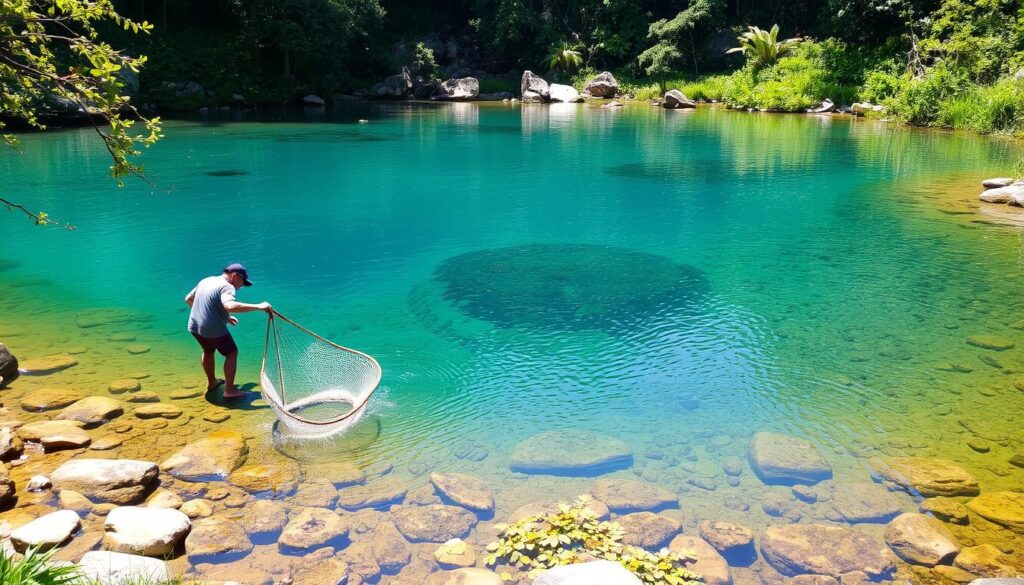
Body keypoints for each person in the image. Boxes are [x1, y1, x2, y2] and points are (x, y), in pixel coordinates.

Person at [184, 263, 272, 398]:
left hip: (194, 326)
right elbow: (230, 306)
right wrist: (259, 306)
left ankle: (212, 382)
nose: (241, 286)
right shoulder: (227, 286)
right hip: (211, 328)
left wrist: (222, 317)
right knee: (231, 352)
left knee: (208, 350)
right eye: (242, 282)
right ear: (235, 276)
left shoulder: (207, 280)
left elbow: (189, 299)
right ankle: (229, 391)